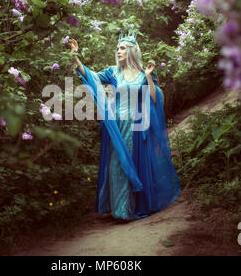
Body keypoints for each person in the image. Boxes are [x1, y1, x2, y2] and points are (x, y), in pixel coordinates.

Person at [68, 30, 181, 221]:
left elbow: (154, 100)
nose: (118, 51)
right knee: (117, 163)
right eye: (117, 48)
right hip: (117, 125)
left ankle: (135, 205)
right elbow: (91, 76)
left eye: (122, 48)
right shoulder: (113, 73)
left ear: (132, 51)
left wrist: (147, 77)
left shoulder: (143, 74)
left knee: (137, 162)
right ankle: (121, 209)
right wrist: (76, 57)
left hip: (138, 126)